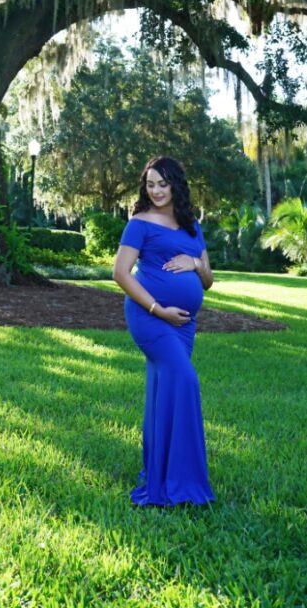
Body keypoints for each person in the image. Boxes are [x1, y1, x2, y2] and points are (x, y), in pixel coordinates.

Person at [112, 155, 215, 506]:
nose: (155, 191)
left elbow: (209, 280)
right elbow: (121, 274)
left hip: (184, 325)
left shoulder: (191, 226)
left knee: (163, 391)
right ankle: (179, 484)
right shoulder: (138, 224)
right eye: (150, 184)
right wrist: (158, 309)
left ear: (176, 186)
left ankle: (160, 469)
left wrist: (196, 263)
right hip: (150, 317)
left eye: (162, 184)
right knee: (185, 381)